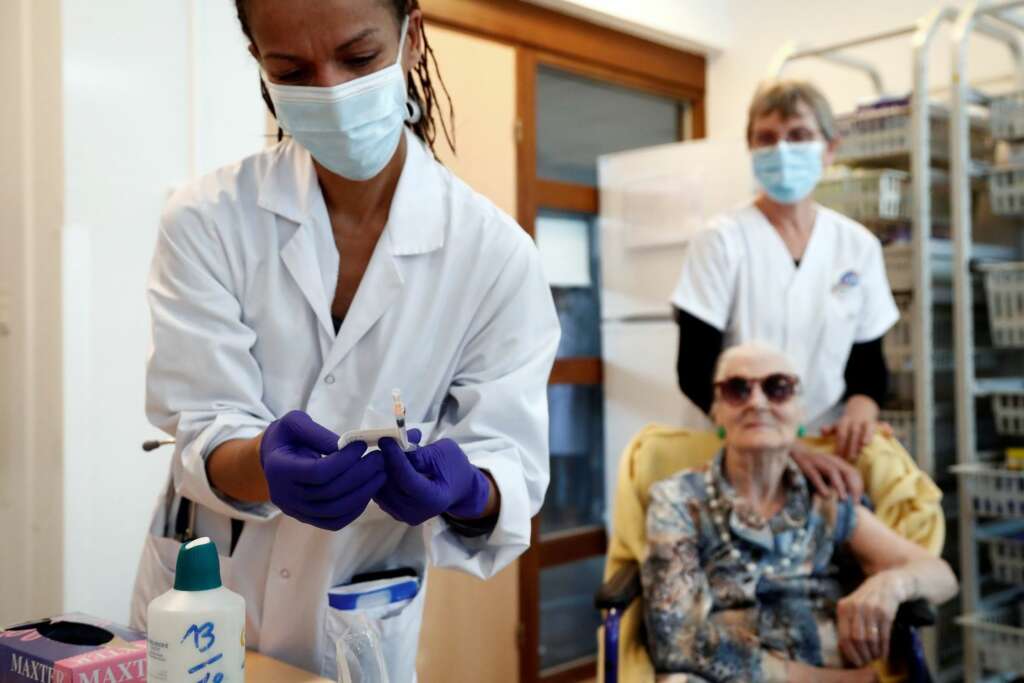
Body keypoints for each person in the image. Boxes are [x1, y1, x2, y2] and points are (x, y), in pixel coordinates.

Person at [130, 0, 560, 679]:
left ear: (411, 38)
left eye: (358, 58)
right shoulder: (207, 220)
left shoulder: (495, 256)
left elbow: (511, 463)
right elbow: (200, 422)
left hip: (361, 615)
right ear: (259, 65)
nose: (330, 92)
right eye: (292, 68)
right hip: (204, 603)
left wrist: (467, 488)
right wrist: (263, 465)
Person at [641, 342, 958, 682]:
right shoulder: (679, 500)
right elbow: (678, 640)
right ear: (716, 410)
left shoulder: (824, 499)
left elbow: (941, 575)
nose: (757, 402)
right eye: (737, 389)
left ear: (800, 411)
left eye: (778, 388)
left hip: (827, 659)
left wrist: (892, 584)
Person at [672, 80, 899, 463]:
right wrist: (776, 440)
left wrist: (863, 406)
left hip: (826, 442)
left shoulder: (856, 246)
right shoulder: (721, 240)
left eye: (799, 135)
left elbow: (868, 363)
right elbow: (694, 369)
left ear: (830, 149)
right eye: (766, 138)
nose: (782, 149)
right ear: (751, 148)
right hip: (736, 445)